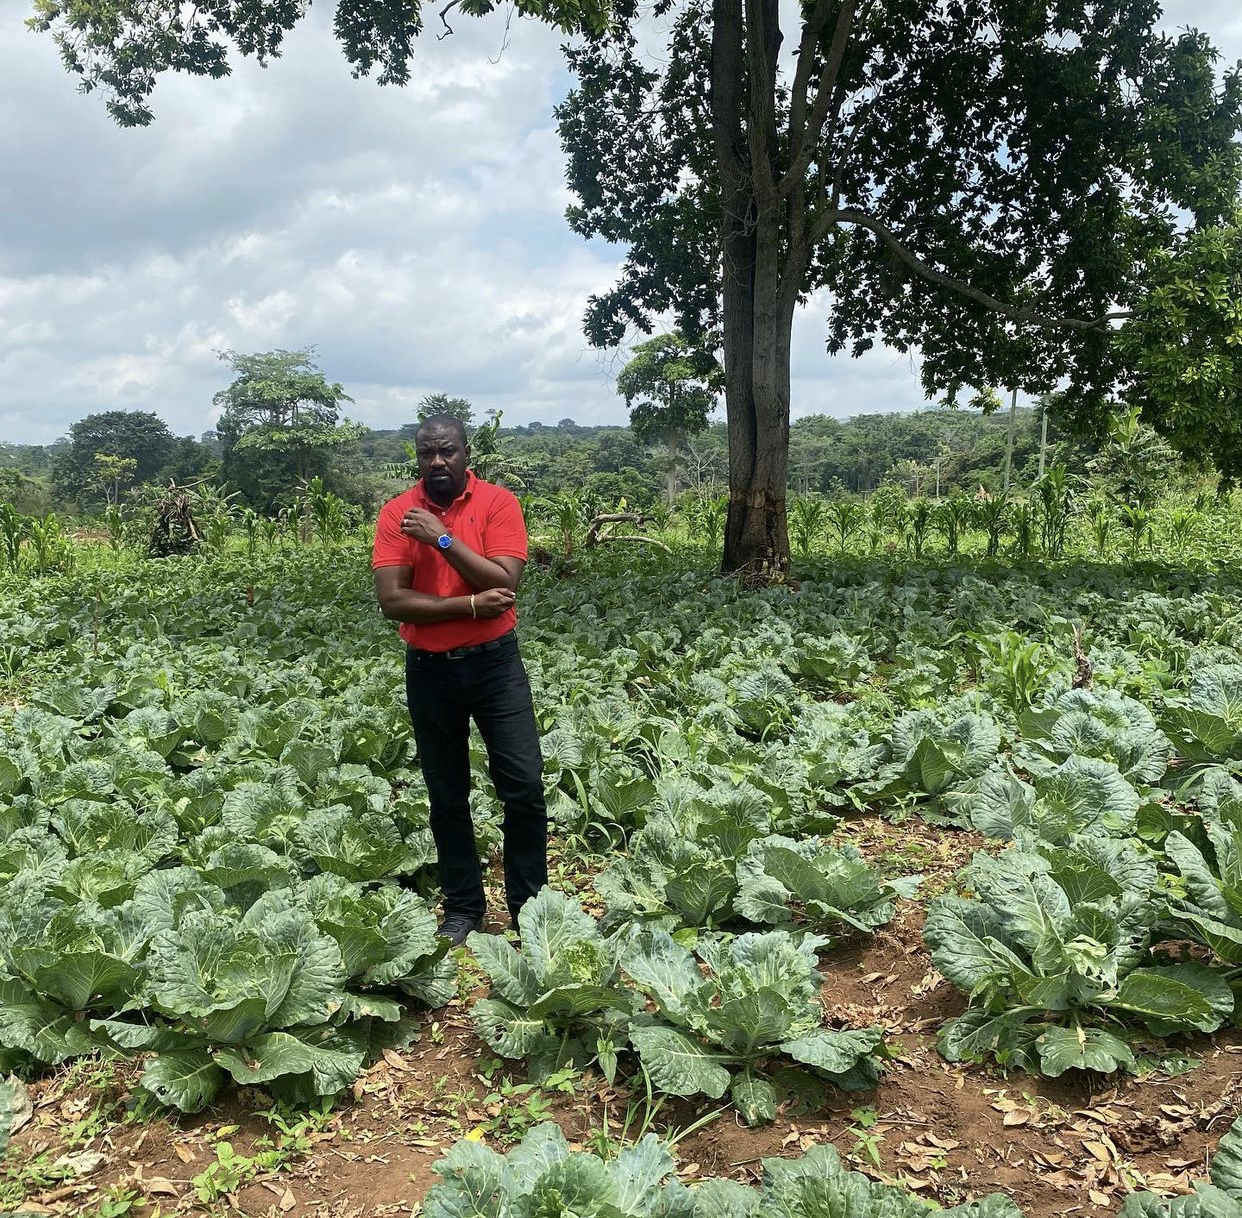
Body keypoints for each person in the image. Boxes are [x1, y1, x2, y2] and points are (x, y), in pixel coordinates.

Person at [371, 414, 547, 946]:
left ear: (466, 453)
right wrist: (470, 606)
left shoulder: (498, 503)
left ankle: (529, 907)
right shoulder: (398, 513)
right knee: (447, 793)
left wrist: (443, 539)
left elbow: (505, 581)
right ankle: (464, 908)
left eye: (447, 451)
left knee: (523, 787)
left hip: (496, 664)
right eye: (427, 453)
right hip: (430, 671)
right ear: (418, 456)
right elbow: (393, 601)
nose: (437, 461)